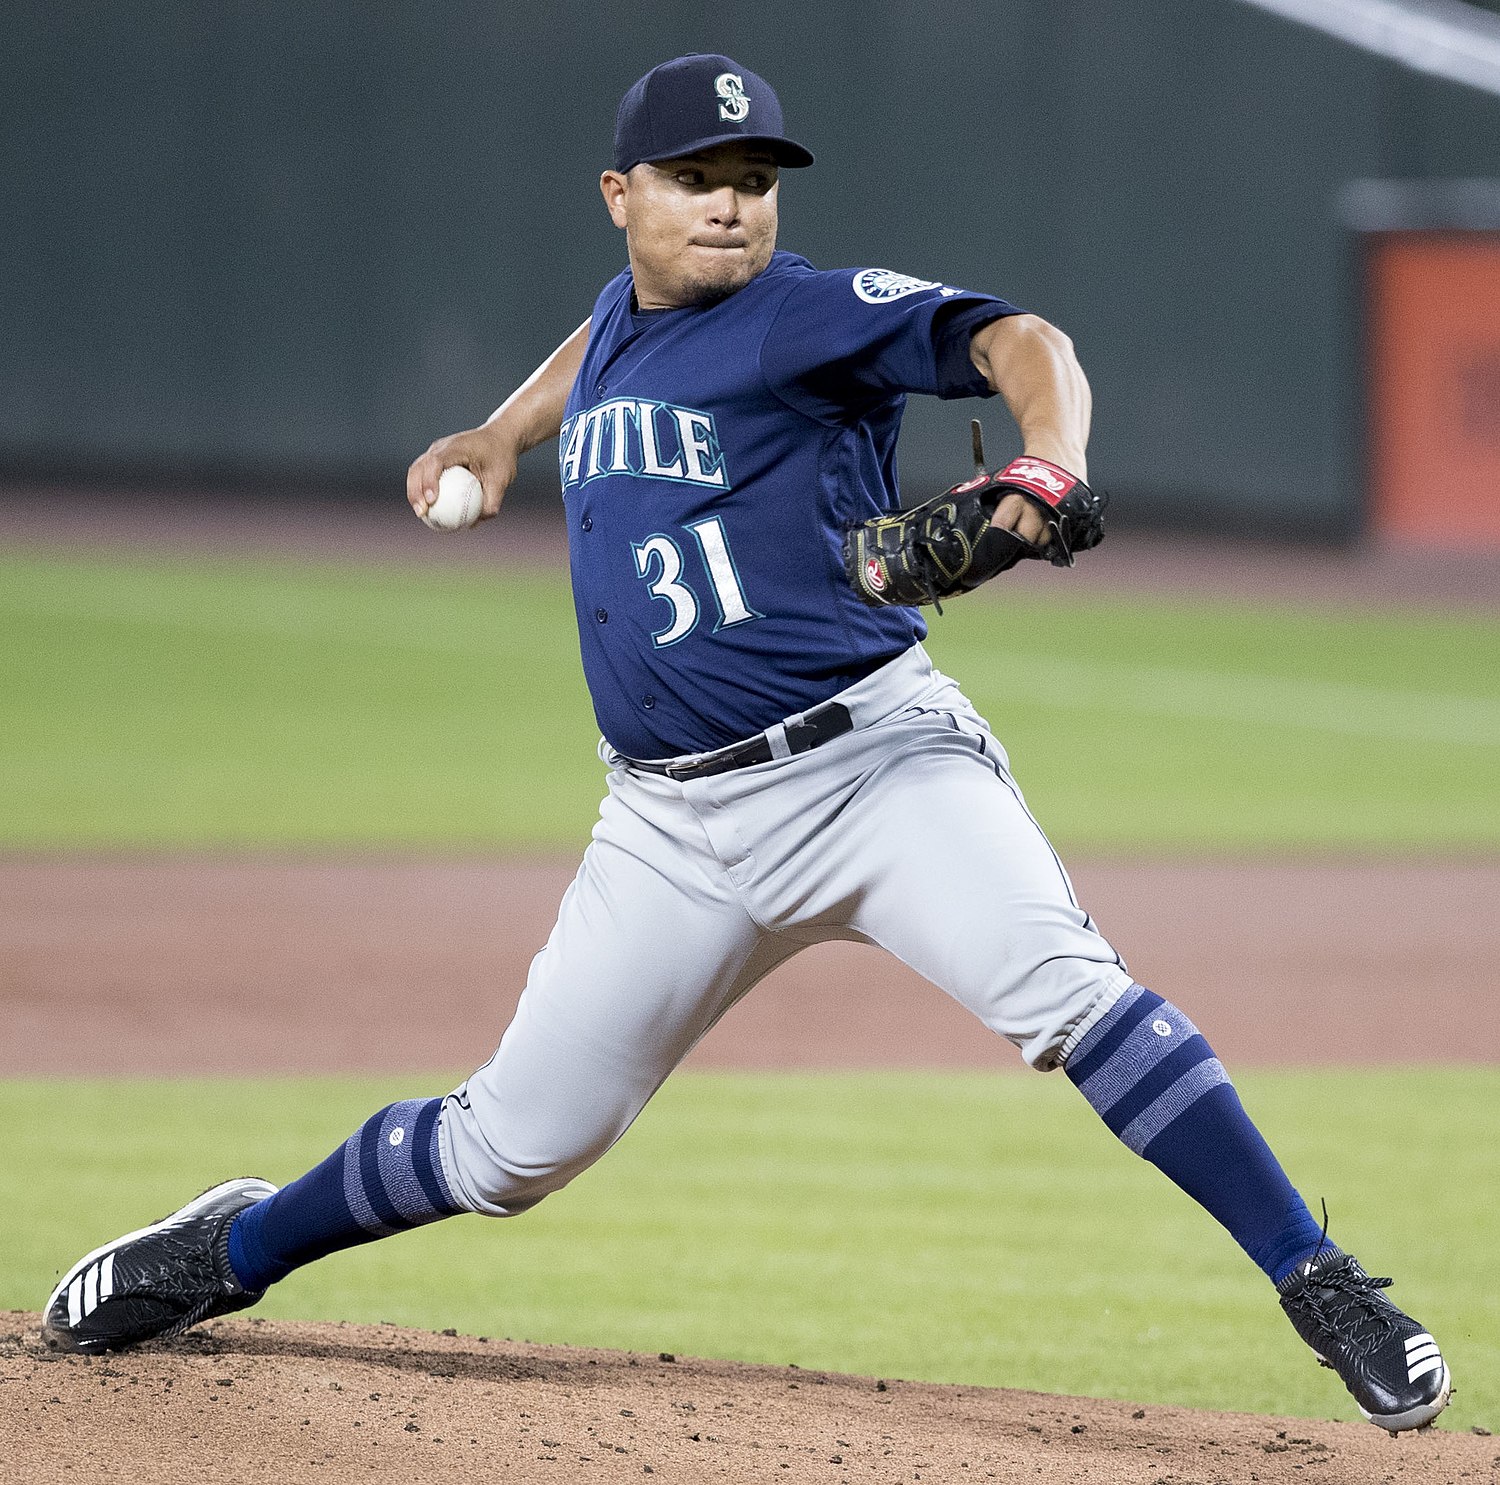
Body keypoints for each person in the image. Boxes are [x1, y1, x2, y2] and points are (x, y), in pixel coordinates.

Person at [43, 53, 1449, 1435]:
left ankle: (1321, 1283)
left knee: (1071, 995)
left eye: (754, 180)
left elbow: (1028, 345)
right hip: (667, 829)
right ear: (620, 195)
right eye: (696, 178)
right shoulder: (629, 317)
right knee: (505, 1150)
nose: (729, 204)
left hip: (874, 774)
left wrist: (1048, 460)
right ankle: (227, 1251)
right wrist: (504, 430)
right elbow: (595, 344)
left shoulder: (808, 318)